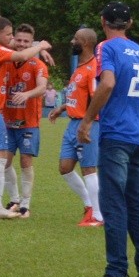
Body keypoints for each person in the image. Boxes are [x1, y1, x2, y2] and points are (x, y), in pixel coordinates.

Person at [79, 2, 139, 277]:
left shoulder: (107, 48)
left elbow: (106, 84)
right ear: (130, 23)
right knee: (136, 203)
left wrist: (87, 120)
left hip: (116, 134)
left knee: (114, 203)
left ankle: (116, 273)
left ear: (104, 21)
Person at [0, 16, 50, 220]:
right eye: (10, 35)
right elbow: (21, 53)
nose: (13, 39)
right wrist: (41, 45)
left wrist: (38, 51)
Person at [48, 27, 102, 227]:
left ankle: (97, 215)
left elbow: (97, 98)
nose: (72, 42)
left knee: (89, 168)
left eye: (76, 39)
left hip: (87, 123)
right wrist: (62, 107)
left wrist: (88, 122)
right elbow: (77, 96)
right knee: (65, 168)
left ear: (86, 43)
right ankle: (89, 205)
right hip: (72, 123)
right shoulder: (80, 67)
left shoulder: (94, 68)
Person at [1, 24, 50, 217]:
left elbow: (42, 88)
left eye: (26, 41)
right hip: (7, 122)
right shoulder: (5, 60)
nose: (21, 44)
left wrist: (27, 94)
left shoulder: (38, 65)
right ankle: (14, 200)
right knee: (4, 162)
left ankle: (25, 205)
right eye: (18, 40)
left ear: (32, 43)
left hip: (28, 123)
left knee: (26, 160)